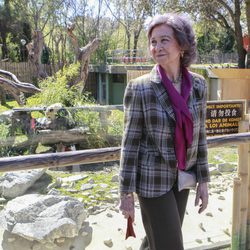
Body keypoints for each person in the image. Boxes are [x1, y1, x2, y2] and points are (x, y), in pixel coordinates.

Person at [119, 12, 210, 250]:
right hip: (151, 181)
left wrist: (203, 180)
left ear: (181, 44)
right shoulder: (140, 88)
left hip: (183, 177)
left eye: (164, 40)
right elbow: (130, 144)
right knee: (170, 244)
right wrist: (125, 192)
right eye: (153, 42)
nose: (157, 47)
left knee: (156, 241)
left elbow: (200, 136)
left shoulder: (198, 85)